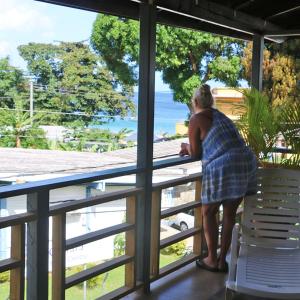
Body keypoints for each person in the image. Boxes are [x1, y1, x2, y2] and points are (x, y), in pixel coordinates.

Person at [180, 84, 257, 272]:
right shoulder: (221, 116)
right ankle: (223, 261)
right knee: (229, 215)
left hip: (224, 165)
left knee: (208, 213)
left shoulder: (196, 119)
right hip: (244, 162)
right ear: (211, 102)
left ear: (196, 102)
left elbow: (196, 154)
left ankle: (212, 259)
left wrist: (186, 146)